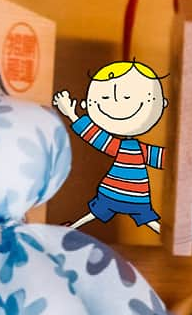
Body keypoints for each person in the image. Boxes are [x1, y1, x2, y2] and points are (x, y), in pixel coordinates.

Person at [53, 60, 167, 234]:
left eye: (128, 98)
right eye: (105, 98)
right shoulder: (120, 146)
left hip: (132, 195)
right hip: (115, 192)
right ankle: (70, 229)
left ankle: (170, 237)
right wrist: (71, 114)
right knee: (96, 212)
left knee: (144, 219)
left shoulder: (136, 149)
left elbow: (163, 158)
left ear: (162, 103)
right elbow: (96, 137)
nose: (120, 105)